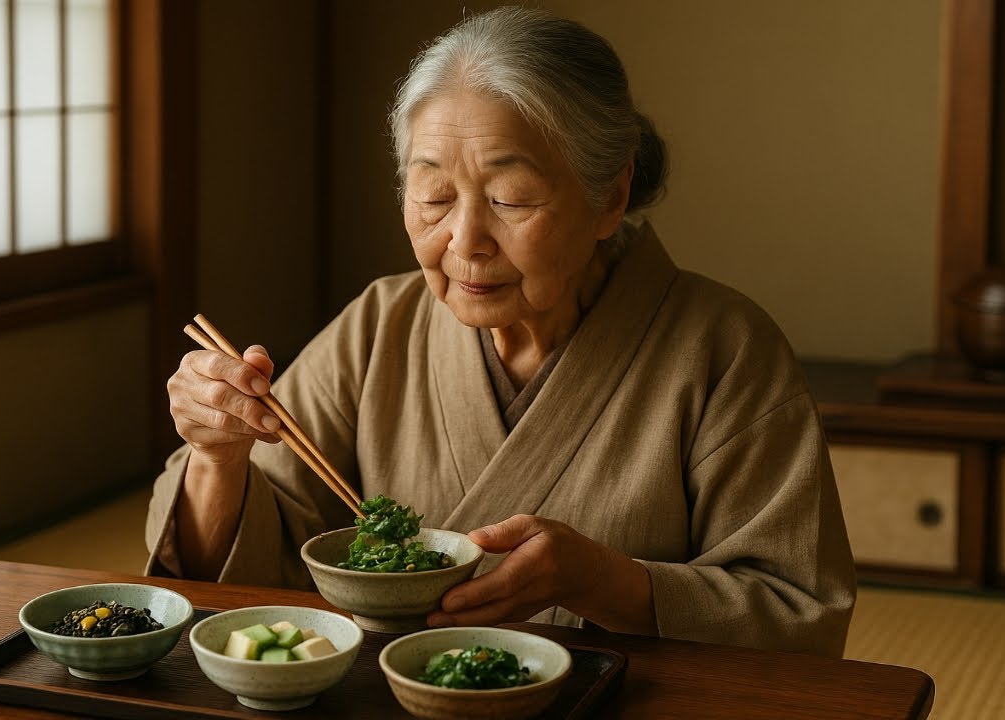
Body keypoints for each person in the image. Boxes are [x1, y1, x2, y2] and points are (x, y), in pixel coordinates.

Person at [146, 6, 856, 657]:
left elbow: (799, 611)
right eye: (433, 196)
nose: (465, 239)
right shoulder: (378, 327)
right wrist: (218, 457)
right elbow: (229, 581)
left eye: (509, 198)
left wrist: (606, 582)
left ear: (609, 195)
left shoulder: (725, 348)